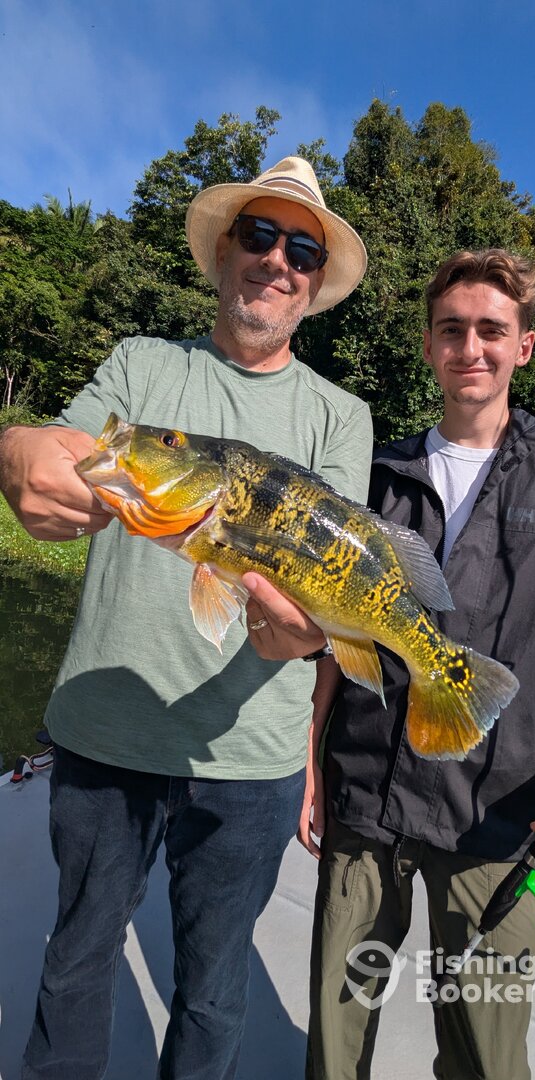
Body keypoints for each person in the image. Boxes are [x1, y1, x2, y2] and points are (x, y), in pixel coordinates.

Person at [0, 157, 374, 1080]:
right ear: (222, 252)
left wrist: (309, 635)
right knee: (75, 962)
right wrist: (15, 451)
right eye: (258, 234)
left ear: (314, 283)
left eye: (301, 250)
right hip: (103, 737)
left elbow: (329, 603)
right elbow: (60, 444)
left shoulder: (341, 416)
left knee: (212, 993)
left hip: (251, 766)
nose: (276, 261)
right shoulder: (142, 364)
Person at [243, 248, 535, 1080]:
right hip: (365, 789)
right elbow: (336, 627)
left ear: (524, 346)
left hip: (497, 809)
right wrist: (308, 757)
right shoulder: (375, 469)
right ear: (427, 345)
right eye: (451, 329)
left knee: (488, 1053)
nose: (470, 347)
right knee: (336, 1042)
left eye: (492, 330)